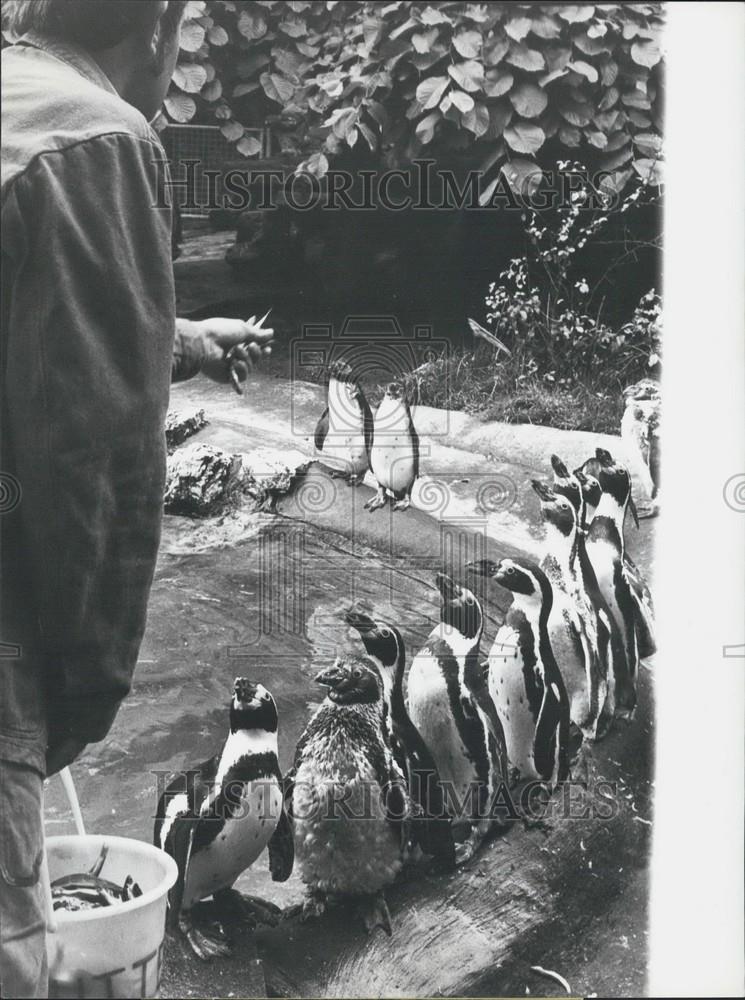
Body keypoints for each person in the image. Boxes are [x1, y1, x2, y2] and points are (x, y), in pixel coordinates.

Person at [0, 3, 273, 995]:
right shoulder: (99, 137)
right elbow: (90, 459)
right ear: (158, 25)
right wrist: (80, 681)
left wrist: (180, 338)